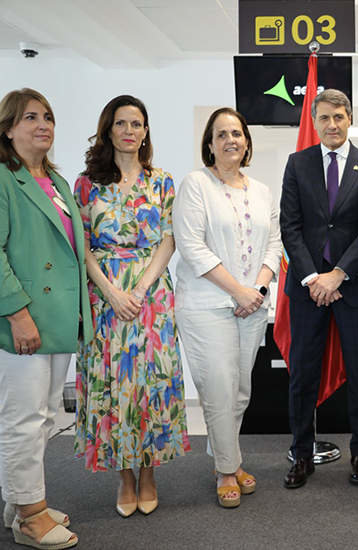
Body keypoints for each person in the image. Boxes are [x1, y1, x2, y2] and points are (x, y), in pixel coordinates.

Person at [73, 95, 190, 518]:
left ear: (145, 131)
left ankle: (149, 471)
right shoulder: (87, 183)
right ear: (108, 130)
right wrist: (110, 291)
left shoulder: (162, 181)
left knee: (150, 383)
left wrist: (139, 289)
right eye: (120, 123)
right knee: (114, 387)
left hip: (151, 294)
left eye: (136, 123)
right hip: (104, 295)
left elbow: (168, 240)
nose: (129, 131)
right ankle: (124, 474)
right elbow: (81, 245)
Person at [172, 107, 281, 508]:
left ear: (247, 141)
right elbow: (192, 247)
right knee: (217, 388)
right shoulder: (195, 184)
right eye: (221, 134)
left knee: (238, 391)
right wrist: (239, 291)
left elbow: (274, 243)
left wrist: (259, 288)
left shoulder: (262, 191)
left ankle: (225, 455)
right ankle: (226, 469)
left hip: (251, 305)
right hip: (205, 306)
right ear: (210, 144)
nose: (230, 140)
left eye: (237, 133)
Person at [0, 88, 88, 549]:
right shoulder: (2, 178)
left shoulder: (53, 180)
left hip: (57, 320)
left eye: (48, 117)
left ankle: (21, 502)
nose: (43, 124)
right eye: (30, 117)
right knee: (23, 419)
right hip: (24, 321)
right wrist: (17, 313)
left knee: (45, 417)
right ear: (8, 127)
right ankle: (31, 517)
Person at [280, 90, 358, 489]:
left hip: (352, 286)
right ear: (315, 121)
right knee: (303, 374)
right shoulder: (298, 163)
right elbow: (291, 226)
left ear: (349, 118)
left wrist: (338, 274)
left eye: (339, 116)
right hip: (307, 288)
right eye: (324, 118)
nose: (332, 124)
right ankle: (302, 455)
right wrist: (313, 278)